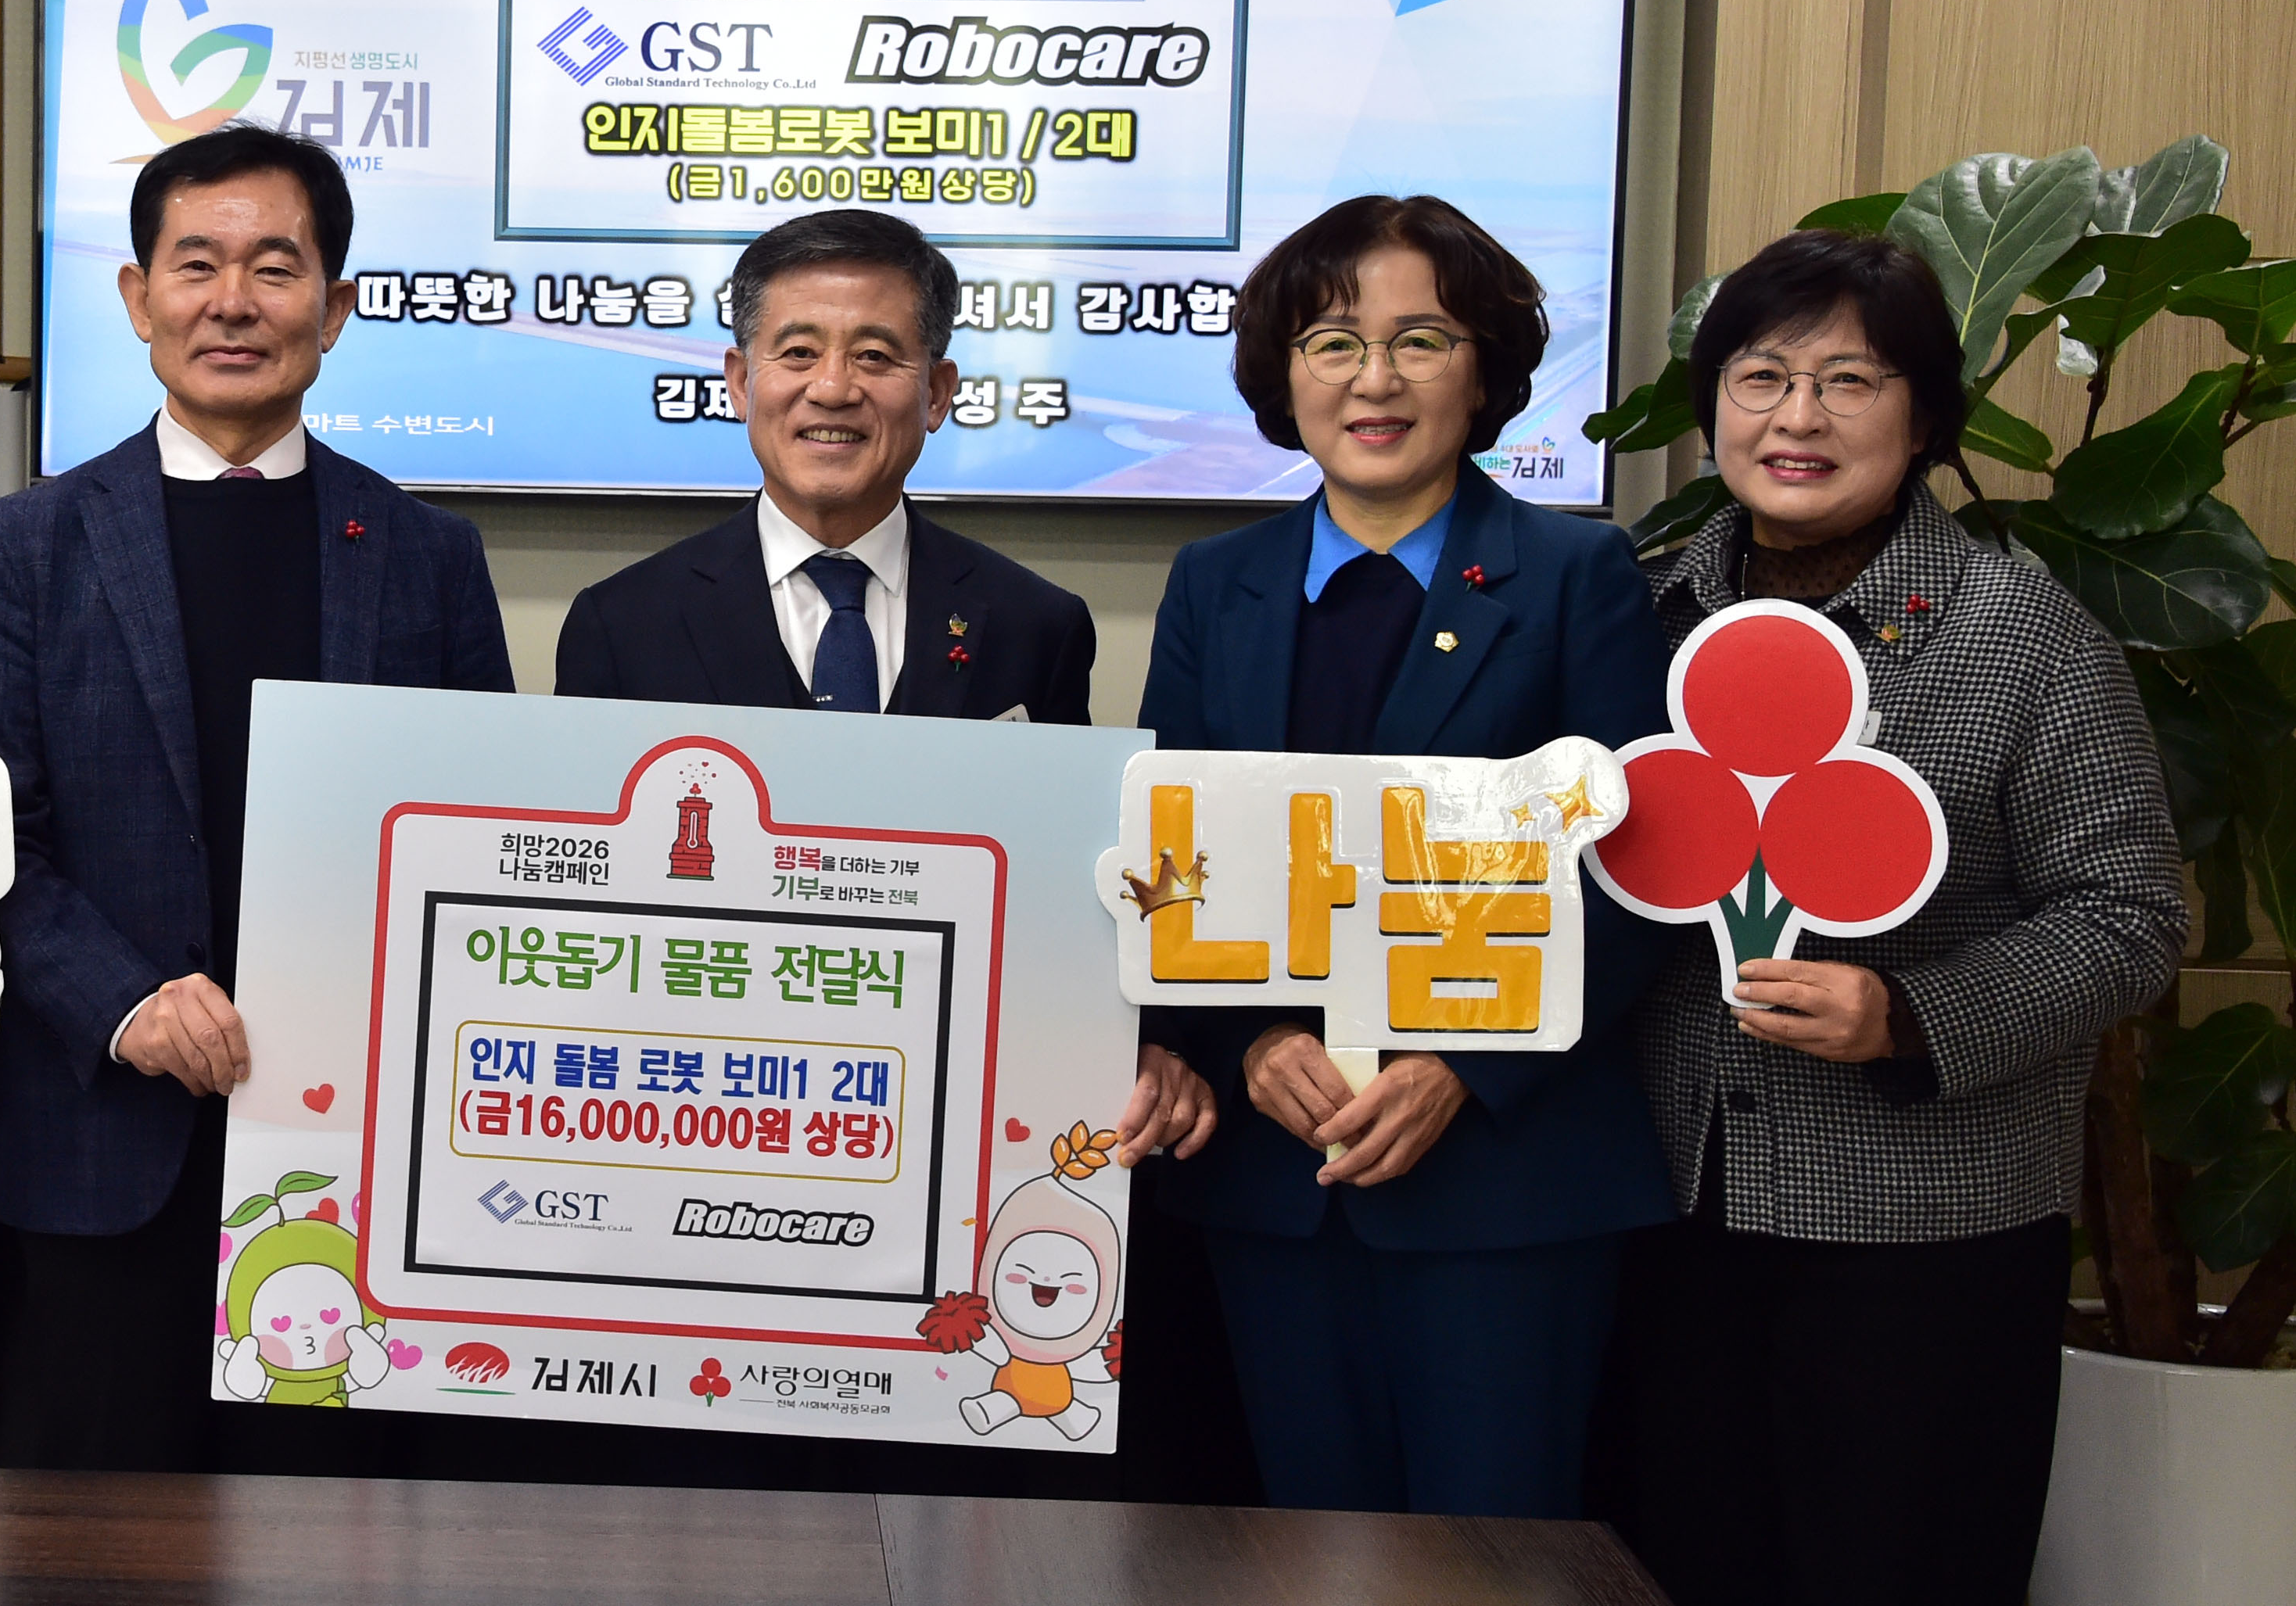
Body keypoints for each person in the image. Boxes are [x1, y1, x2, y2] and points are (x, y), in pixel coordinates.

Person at [553, 207, 1228, 1500]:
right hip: (705, 1167)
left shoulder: (1034, 623)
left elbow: (1062, 907)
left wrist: (1131, 1043)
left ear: (940, 389)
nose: (834, 388)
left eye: (876, 354)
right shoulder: (621, 623)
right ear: (738, 378)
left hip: (948, 1179)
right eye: (797, 350)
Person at [1594, 231, 2183, 1606]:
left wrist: (1911, 1013)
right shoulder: (1636, 608)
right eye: (1762, 377)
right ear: (1713, 404)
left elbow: (2132, 914)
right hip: (1663, 1206)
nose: (1797, 417)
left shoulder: (2022, 634)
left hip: (1927, 1232)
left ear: (1925, 419)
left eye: (1850, 381)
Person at [0, 123, 514, 1472]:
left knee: (338, 1542)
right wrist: (125, 1002)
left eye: (275, 268)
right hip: (102, 1143)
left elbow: (485, 845)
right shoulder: (26, 546)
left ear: (336, 308)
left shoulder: (426, 555)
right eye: (196, 266)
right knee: (96, 1543)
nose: (233, 302)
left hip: (360, 1156)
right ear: (139, 298)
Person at [1134, 193, 1674, 1519]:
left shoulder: (1577, 574)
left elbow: (1635, 874)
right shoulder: (1216, 582)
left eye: (1420, 340)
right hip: (1276, 1172)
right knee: (1299, 1555)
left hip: (1504, 1181)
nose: (1373, 380)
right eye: (1332, 342)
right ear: (1283, 374)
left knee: (1493, 1562)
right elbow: (1169, 855)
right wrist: (1246, 1042)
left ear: (1484, 370)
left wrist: (1463, 1069)